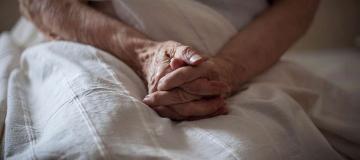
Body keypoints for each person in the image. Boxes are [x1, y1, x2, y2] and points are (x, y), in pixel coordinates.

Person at [19, 0, 319, 121]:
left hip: (249, 56)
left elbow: (298, 4)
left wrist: (225, 69)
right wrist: (145, 53)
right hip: (95, 38)